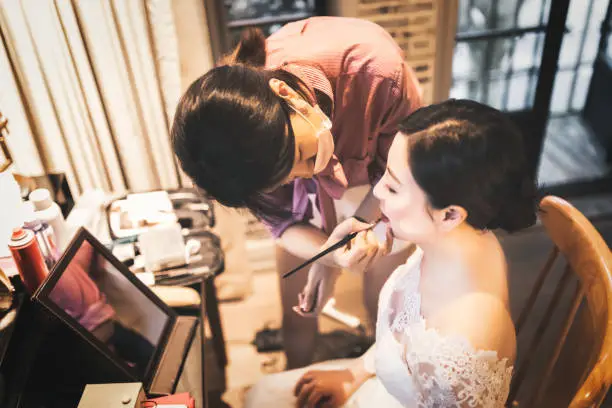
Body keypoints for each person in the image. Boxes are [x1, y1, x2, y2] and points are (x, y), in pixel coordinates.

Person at [244, 99, 537, 407]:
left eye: (393, 188)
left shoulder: (465, 346)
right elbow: (404, 338)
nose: (377, 191)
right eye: (384, 174)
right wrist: (357, 371)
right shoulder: (461, 239)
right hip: (381, 383)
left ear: (449, 215)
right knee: (261, 395)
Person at [171, 16, 422, 368]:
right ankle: (296, 376)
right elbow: (282, 221)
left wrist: (363, 224)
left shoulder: (377, 73)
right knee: (300, 310)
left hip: (384, 180)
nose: (310, 172)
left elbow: (398, 173)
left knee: (384, 300)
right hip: (314, 186)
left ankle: (378, 370)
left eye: (303, 156)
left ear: (286, 94)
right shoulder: (230, 143)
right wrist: (328, 255)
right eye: (284, 181)